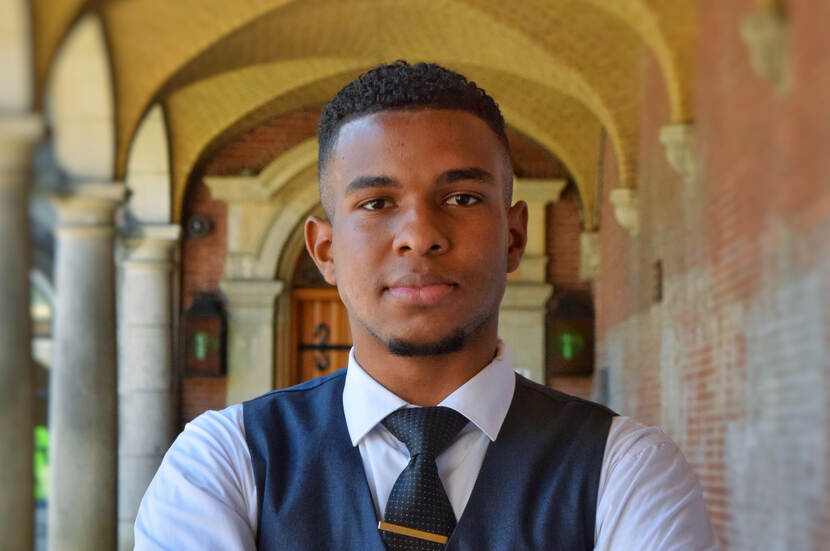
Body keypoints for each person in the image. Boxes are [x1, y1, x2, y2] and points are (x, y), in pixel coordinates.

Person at [135, 61, 720, 550]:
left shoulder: (626, 469)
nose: (419, 235)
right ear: (326, 250)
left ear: (513, 237)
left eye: (461, 197)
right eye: (376, 202)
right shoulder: (223, 462)